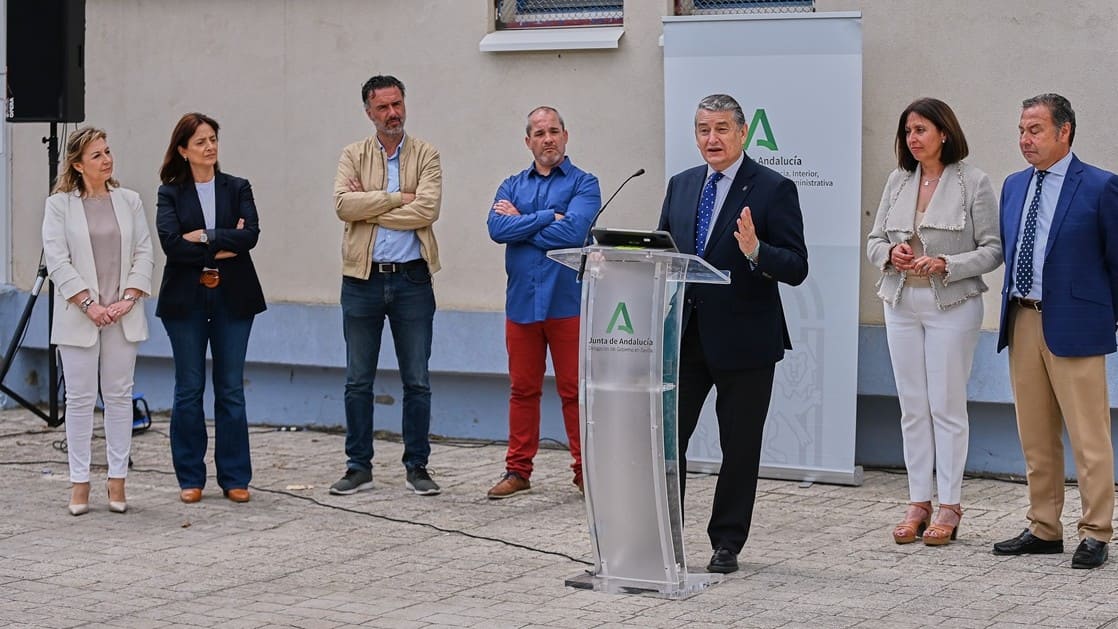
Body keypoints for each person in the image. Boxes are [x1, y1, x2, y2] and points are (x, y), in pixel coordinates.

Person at [658, 93, 808, 573]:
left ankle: (727, 542)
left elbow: (797, 266)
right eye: (703, 129)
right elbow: (664, 252)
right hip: (686, 337)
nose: (712, 138)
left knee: (738, 448)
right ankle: (664, 535)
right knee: (667, 441)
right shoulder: (681, 186)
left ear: (743, 133)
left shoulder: (771, 188)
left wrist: (756, 250)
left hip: (745, 341)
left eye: (722, 129)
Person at [866, 98, 1002, 546]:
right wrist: (890, 253)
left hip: (953, 305)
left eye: (921, 129)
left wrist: (946, 262)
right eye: (907, 131)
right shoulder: (898, 180)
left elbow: (992, 250)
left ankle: (950, 504)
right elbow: (873, 240)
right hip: (900, 302)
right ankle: (917, 501)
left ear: (944, 132)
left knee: (946, 407)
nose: (913, 138)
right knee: (912, 406)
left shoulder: (974, 182)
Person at [991, 93, 1118, 570]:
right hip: (1022, 318)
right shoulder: (1014, 185)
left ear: (1065, 132)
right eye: (1022, 130)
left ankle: (1096, 531)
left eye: (1036, 130)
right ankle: (1044, 527)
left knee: (1089, 435)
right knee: (1036, 434)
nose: (1025, 140)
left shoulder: (1102, 187)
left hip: (1077, 324)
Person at [329, 74, 442, 497]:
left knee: (417, 379)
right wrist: (397, 197)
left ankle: (418, 466)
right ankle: (358, 466)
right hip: (362, 279)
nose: (393, 113)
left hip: (413, 278)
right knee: (358, 380)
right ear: (369, 112)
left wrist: (370, 204)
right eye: (383, 108)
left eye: (397, 104)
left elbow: (427, 210)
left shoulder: (426, 153)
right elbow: (342, 205)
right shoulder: (352, 154)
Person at [485, 106, 601, 499]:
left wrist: (524, 222)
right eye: (539, 132)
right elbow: (496, 228)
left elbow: (575, 231)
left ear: (566, 136)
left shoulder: (586, 184)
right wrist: (547, 217)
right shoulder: (511, 184)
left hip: (566, 303)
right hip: (521, 305)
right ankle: (518, 471)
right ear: (528, 141)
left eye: (554, 131)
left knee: (574, 391)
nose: (547, 138)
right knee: (522, 390)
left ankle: (587, 472)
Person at [42, 127, 154, 515]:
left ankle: (118, 480)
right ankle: (79, 483)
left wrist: (126, 299)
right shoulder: (59, 206)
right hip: (79, 317)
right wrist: (90, 305)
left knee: (120, 397)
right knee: (80, 400)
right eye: (96, 155)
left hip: (123, 315)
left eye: (108, 151)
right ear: (77, 164)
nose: (107, 159)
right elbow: (57, 261)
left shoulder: (130, 201)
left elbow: (144, 253)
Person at [156, 113, 266, 504]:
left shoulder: (238, 187)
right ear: (184, 150)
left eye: (213, 139)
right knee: (189, 389)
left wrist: (203, 237)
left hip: (234, 298)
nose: (210, 147)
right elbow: (171, 244)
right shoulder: (170, 193)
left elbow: (249, 235)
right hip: (184, 300)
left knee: (231, 388)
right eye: (201, 141)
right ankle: (191, 477)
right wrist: (223, 242)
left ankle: (235, 477)